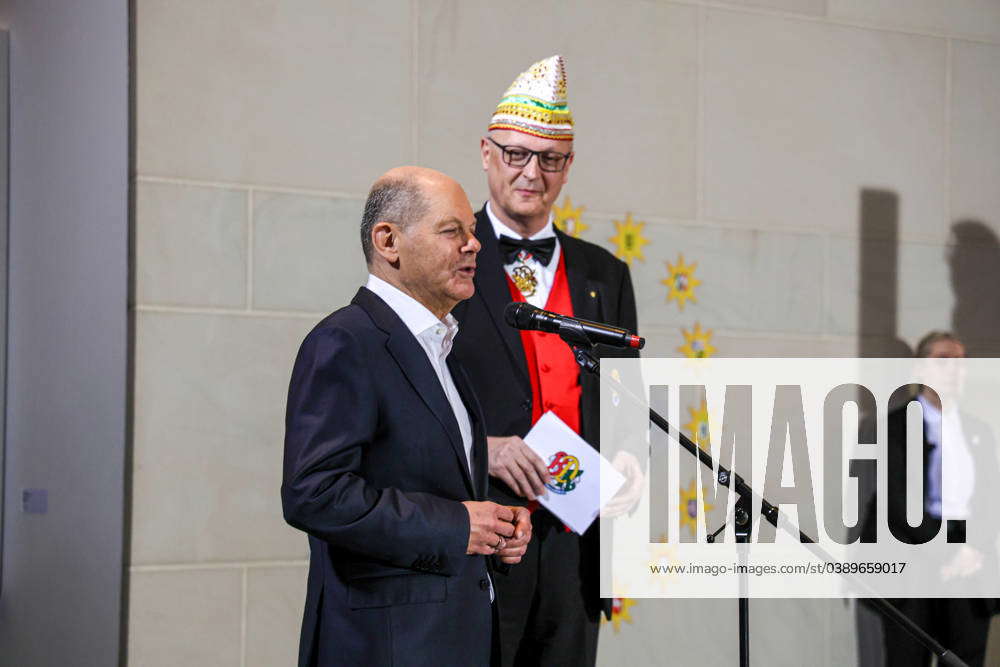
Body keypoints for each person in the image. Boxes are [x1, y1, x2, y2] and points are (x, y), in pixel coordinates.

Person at [282, 166, 533, 667]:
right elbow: (314, 494)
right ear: (388, 240)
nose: (473, 246)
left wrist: (497, 525)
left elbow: (440, 488)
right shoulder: (346, 342)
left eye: (473, 232)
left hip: (458, 635)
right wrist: (456, 525)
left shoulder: (444, 351)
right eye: (451, 231)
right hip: (388, 643)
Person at [451, 55, 643, 667]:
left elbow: (627, 399)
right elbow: (412, 395)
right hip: (481, 529)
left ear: (568, 167)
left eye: (549, 159)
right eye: (515, 154)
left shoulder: (605, 274)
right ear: (486, 152)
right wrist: (488, 445)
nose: (531, 173)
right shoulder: (448, 260)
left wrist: (632, 464)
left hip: (576, 541)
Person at [863, 332, 999, 667]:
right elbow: (897, 503)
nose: (954, 370)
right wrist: (947, 553)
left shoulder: (978, 429)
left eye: (961, 361)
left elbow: (989, 498)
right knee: (907, 658)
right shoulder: (895, 426)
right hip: (913, 561)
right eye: (943, 360)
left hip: (970, 565)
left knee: (966, 657)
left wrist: (972, 550)